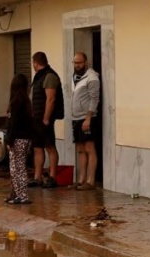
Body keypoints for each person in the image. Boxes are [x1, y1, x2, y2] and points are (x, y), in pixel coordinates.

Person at [29, 51, 63, 187]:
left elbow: (51, 99)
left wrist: (46, 118)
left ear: (36, 63)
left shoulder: (49, 76)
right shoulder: (38, 77)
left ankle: (52, 177)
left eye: (33, 63)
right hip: (36, 118)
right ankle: (37, 177)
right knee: (37, 147)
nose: (32, 65)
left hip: (44, 119)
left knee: (49, 146)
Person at [70, 51, 102, 187]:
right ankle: (81, 179)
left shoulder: (92, 77)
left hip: (87, 117)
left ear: (85, 62)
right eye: (75, 63)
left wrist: (88, 118)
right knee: (81, 149)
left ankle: (90, 180)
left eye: (79, 63)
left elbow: (94, 98)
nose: (77, 65)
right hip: (76, 117)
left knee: (89, 148)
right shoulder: (75, 77)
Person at [6, 70, 35, 205]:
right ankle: (16, 193)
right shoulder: (25, 101)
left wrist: (9, 139)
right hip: (24, 138)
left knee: (17, 167)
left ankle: (22, 195)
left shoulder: (16, 103)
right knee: (16, 166)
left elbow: (14, 123)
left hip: (18, 138)